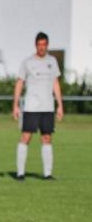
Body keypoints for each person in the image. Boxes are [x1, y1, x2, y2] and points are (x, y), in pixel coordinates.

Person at [13, 31, 64, 181]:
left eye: (44, 45)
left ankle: (47, 174)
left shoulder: (52, 61)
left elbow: (55, 83)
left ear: (47, 45)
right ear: (36, 45)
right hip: (31, 106)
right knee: (26, 137)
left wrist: (60, 105)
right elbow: (19, 82)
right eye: (39, 45)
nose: (41, 47)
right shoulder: (27, 62)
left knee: (47, 138)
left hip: (47, 107)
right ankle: (20, 173)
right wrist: (15, 105)